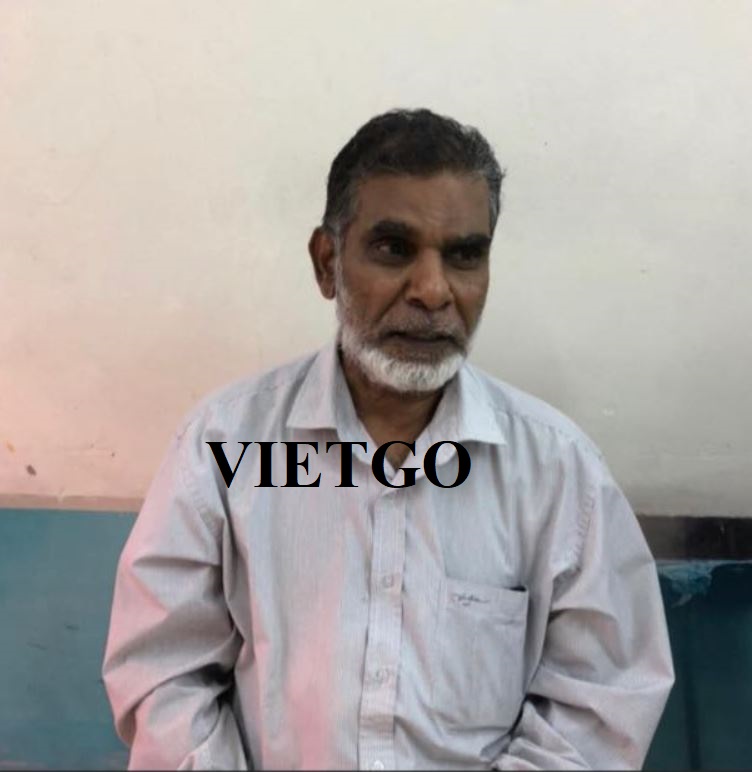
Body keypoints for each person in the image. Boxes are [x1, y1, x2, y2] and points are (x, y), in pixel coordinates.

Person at [102, 108, 674, 770]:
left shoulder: (557, 472)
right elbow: (163, 674)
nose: (432, 291)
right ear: (327, 263)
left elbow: (603, 701)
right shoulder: (224, 448)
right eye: (394, 248)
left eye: (464, 255)